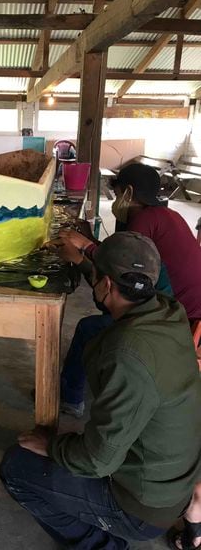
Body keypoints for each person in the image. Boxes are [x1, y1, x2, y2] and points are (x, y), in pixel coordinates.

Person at [0, 231, 201, 550]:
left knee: (16, 466)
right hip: (177, 480)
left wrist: (52, 446)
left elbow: (97, 461)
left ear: (106, 285)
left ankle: (102, 546)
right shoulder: (167, 311)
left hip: (143, 509)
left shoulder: (127, 354)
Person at [57, 163, 201, 416]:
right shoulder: (168, 215)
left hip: (175, 317)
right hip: (179, 309)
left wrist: (83, 252)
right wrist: (90, 240)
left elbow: (121, 274)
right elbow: (123, 262)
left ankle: (70, 399)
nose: (115, 198)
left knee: (90, 328)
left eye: (117, 190)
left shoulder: (144, 219)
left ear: (128, 192)